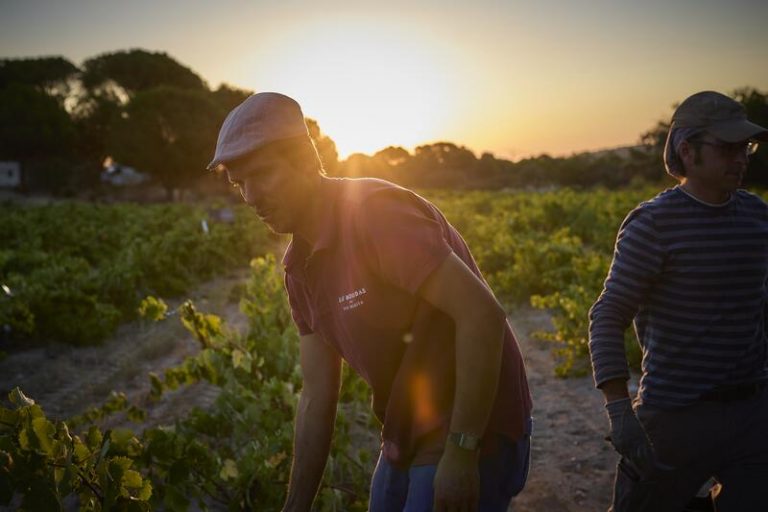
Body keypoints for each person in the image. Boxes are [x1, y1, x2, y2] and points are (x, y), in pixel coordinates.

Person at [207, 92, 533, 512]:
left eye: (262, 175)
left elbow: (482, 315)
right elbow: (317, 395)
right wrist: (295, 506)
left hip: (474, 426)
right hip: (404, 427)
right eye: (239, 184)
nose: (250, 196)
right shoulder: (299, 271)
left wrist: (463, 451)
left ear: (305, 159)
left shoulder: (375, 215)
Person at [589, 90, 768, 512]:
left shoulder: (757, 216)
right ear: (687, 151)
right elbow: (608, 315)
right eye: (727, 147)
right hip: (674, 417)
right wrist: (620, 411)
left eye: (745, 147)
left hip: (753, 413)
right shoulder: (653, 224)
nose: (740, 158)